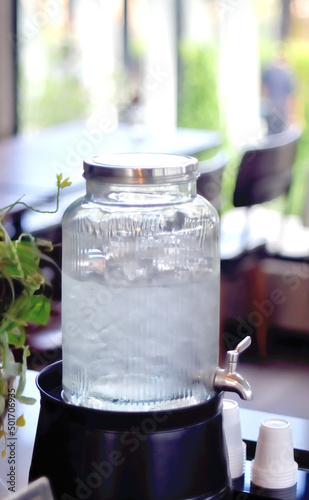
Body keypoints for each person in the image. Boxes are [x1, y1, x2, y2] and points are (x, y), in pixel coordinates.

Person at [261, 53, 295, 134]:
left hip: (271, 107)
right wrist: (291, 116)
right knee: (280, 134)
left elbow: (264, 89)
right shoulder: (287, 74)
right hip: (281, 108)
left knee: (270, 133)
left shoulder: (268, 70)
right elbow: (290, 97)